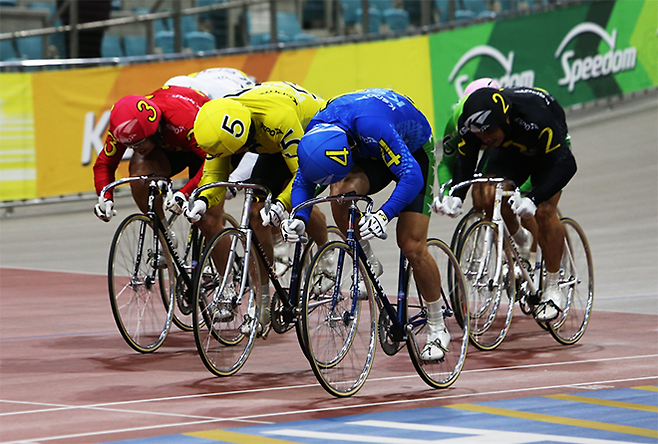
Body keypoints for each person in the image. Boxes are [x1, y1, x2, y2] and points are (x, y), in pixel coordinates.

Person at [283, 88, 450, 361]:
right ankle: (368, 259)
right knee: (338, 194)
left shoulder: (372, 126)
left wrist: (383, 214)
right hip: (366, 149)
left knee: (411, 245)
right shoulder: (317, 136)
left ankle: (437, 325)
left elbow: (412, 177)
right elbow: (303, 183)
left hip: (412, 150)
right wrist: (299, 219)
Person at [187, 81, 330, 336]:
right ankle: (262, 301)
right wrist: (203, 200)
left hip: (308, 127)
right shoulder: (220, 118)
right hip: (268, 139)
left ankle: (326, 255)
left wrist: (283, 204)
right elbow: (215, 173)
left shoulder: (277, 120)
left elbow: (304, 178)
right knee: (256, 214)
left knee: (298, 198)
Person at [439, 86, 577, 322]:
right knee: (490, 193)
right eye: (480, 135)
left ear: (505, 118)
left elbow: (567, 164)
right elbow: (466, 158)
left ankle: (553, 287)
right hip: (510, 150)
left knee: (544, 211)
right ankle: (521, 240)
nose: (484, 138)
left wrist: (534, 198)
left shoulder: (535, 117)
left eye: (489, 131)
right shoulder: (473, 126)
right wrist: (457, 196)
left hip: (546, 151)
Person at [92, 85, 224, 251]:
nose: (135, 149)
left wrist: (186, 191)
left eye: (139, 143)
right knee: (139, 176)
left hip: (202, 143)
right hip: (168, 146)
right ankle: (163, 234)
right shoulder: (123, 127)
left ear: (154, 130)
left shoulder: (184, 121)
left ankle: (228, 275)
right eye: (129, 145)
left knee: (208, 221)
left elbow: (214, 161)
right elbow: (104, 163)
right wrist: (105, 196)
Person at [435, 78, 538, 261]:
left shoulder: (510, 120)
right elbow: (447, 164)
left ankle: (529, 251)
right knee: (482, 195)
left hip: (506, 148)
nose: (482, 131)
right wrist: (449, 195)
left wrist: (524, 193)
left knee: (508, 194)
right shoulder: (457, 122)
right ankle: (505, 244)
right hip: (477, 147)